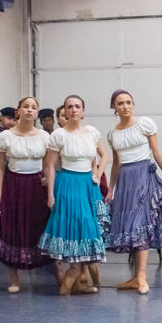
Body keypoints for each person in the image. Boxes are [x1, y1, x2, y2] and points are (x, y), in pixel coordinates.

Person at [105, 90, 162, 294]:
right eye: (120, 103)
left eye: (128, 102)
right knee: (131, 227)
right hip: (125, 180)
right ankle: (135, 277)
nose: (125, 106)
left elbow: (156, 151)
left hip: (143, 175)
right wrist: (111, 189)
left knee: (140, 225)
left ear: (133, 104)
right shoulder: (113, 133)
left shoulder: (145, 124)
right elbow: (116, 163)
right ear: (114, 107)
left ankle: (142, 276)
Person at [38, 95, 109, 296]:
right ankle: (70, 281)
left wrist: (97, 173)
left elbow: (104, 156)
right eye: (70, 107)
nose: (74, 110)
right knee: (72, 226)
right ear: (65, 112)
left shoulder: (92, 132)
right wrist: (50, 194)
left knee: (87, 226)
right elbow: (50, 166)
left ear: (83, 111)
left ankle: (77, 280)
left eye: (77, 106)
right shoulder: (59, 135)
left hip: (88, 184)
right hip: (68, 183)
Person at [0, 97, 52, 293]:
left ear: (37, 113)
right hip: (14, 184)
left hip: (36, 185)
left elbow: (47, 165)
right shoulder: (5, 137)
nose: (29, 110)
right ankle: (14, 277)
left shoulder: (44, 136)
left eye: (33, 107)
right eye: (25, 107)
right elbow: (0, 167)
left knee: (40, 225)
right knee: (13, 226)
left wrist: (47, 184)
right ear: (18, 111)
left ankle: (57, 270)